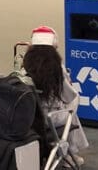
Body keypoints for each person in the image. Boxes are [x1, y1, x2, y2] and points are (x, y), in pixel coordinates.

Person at [20, 26, 89, 159]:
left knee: (67, 110)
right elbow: (69, 95)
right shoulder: (57, 69)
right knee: (72, 106)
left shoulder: (25, 67)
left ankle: (70, 151)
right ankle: (70, 153)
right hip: (51, 118)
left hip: (30, 117)